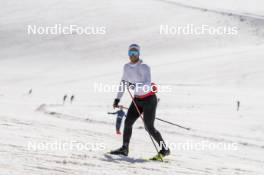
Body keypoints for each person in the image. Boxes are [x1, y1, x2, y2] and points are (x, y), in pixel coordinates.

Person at [110, 44, 170, 158]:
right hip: (137, 100)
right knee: (128, 123)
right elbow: (123, 83)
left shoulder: (144, 66)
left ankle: (165, 149)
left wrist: (133, 86)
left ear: (138, 54)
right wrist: (117, 98)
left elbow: (147, 85)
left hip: (149, 100)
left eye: (134, 53)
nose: (132, 55)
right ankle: (124, 149)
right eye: (130, 53)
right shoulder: (126, 67)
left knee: (149, 128)